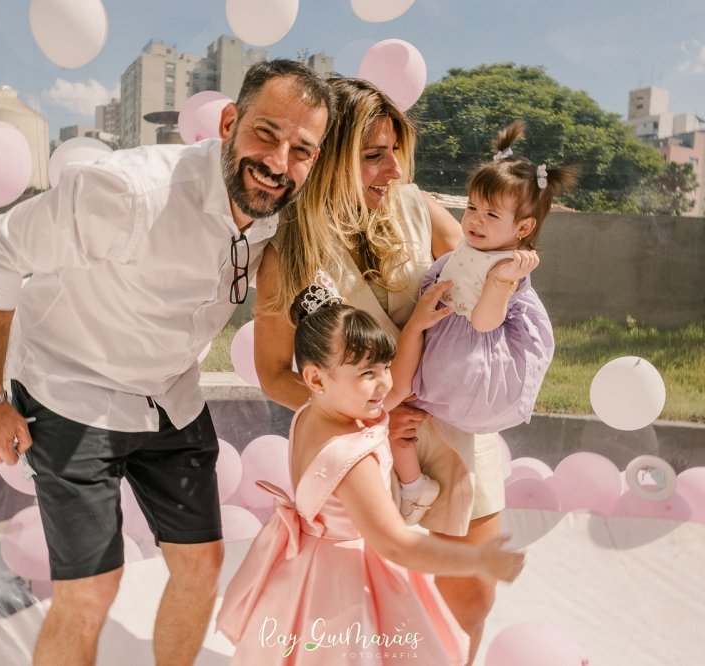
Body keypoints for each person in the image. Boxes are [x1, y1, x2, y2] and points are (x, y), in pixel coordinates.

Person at [0, 59, 334, 666]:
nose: (277, 161)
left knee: (202, 566)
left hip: (170, 397)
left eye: (301, 150)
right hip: (72, 389)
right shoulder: (130, 192)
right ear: (229, 123)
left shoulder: (281, 211)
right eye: (266, 134)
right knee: (89, 592)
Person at [252, 76, 515, 665]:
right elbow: (273, 372)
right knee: (381, 614)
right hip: (372, 452)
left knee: (471, 598)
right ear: (327, 160)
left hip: (457, 429)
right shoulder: (287, 253)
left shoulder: (419, 209)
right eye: (373, 155)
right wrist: (363, 418)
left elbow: (485, 271)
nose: (394, 169)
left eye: (395, 151)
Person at [215, 276, 525, 665]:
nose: (382, 384)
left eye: (384, 366)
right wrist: (477, 560)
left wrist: (416, 325)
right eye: (367, 373)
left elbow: (396, 388)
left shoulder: (313, 413)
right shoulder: (351, 458)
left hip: (307, 567)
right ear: (316, 378)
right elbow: (398, 544)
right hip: (344, 583)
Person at [384, 120, 579, 521]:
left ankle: (413, 487)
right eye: (472, 207)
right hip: (443, 345)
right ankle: (414, 486)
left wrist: (500, 284)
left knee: (399, 413)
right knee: (398, 422)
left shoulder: (506, 267)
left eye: (491, 214)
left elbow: (486, 322)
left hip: (473, 353)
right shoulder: (470, 248)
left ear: (523, 228)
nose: (475, 220)